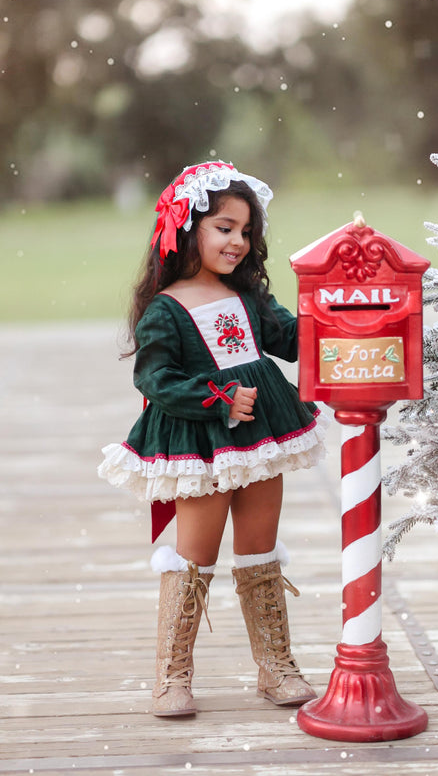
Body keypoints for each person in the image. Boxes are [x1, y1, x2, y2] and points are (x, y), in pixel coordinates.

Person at [98, 160, 328, 717]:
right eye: (224, 227)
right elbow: (154, 378)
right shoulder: (166, 308)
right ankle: (172, 676)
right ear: (187, 229)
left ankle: (276, 667)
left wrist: (332, 304)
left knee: (260, 549)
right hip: (201, 443)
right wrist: (218, 397)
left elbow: (292, 340)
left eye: (246, 231)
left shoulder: (248, 298)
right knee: (194, 556)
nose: (238, 242)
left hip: (263, 437)